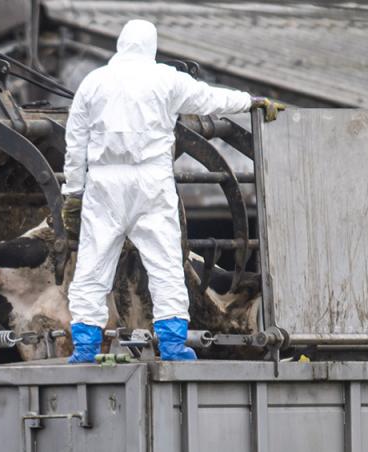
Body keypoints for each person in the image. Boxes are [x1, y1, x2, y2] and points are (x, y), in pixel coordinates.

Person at [61, 19, 282, 363]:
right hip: (151, 182)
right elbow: (210, 98)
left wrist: (73, 192)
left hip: (104, 185)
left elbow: (75, 142)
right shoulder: (166, 79)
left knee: (92, 268)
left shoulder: (94, 82)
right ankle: (174, 346)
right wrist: (252, 101)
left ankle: (85, 348)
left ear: (120, 44)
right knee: (165, 265)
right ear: (151, 46)